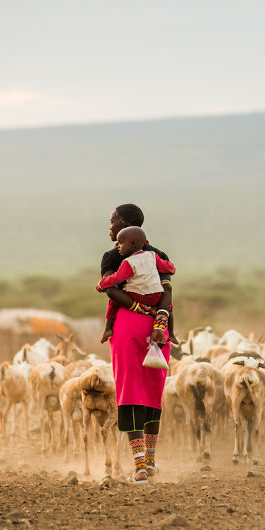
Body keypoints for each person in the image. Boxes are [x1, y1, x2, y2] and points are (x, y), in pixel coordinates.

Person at [99, 204, 174, 482]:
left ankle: (140, 465)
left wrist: (141, 311)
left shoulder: (113, 257)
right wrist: (160, 319)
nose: (109, 228)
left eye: (112, 222)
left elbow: (109, 288)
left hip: (128, 327)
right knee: (153, 391)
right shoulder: (159, 256)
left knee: (131, 391)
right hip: (158, 329)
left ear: (126, 224)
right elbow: (167, 293)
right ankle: (149, 462)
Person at [96, 226, 176, 316]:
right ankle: (163, 319)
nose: (117, 246)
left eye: (121, 243)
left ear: (133, 244)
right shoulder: (153, 255)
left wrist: (101, 285)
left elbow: (117, 278)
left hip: (139, 296)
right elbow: (166, 267)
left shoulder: (129, 262)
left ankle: (144, 310)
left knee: (113, 297)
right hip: (156, 296)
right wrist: (172, 268)